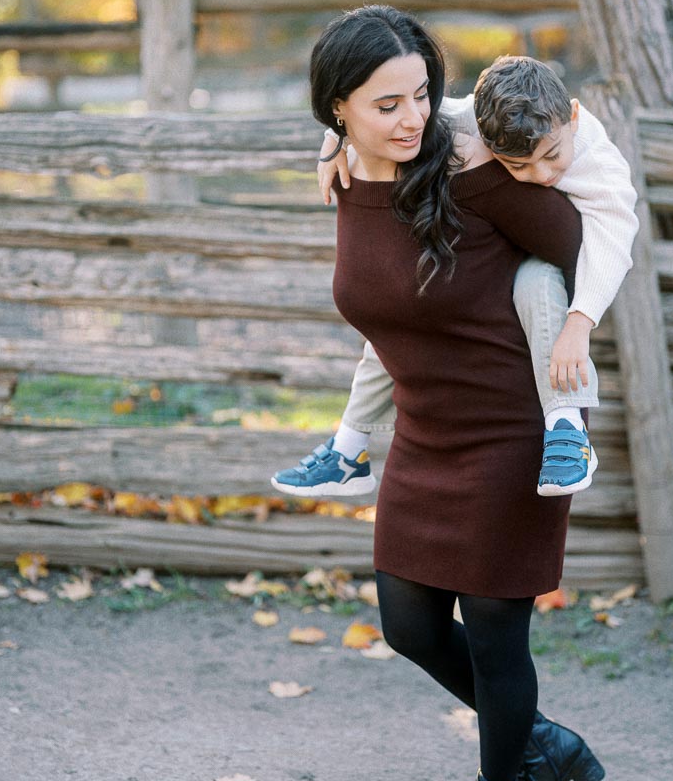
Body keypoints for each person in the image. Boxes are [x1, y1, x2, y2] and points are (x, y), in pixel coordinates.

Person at [300, 5, 605, 781]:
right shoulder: (346, 178)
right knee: (408, 624)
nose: (410, 118)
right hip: (424, 431)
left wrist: (567, 332)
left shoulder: (482, 177)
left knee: (497, 633)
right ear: (338, 111)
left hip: (516, 431)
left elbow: (587, 251)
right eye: (385, 102)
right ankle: (539, 747)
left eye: (423, 96)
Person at [272, 56, 638, 500]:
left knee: (536, 283)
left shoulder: (595, 156)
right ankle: (348, 452)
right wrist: (335, 139)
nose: (541, 176)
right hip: (504, 249)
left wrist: (580, 322)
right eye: (518, 167)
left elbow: (616, 236)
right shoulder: (468, 119)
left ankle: (566, 426)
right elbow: (407, 115)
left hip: (580, 267)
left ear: (573, 116)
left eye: (551, 156)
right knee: (399, 319)